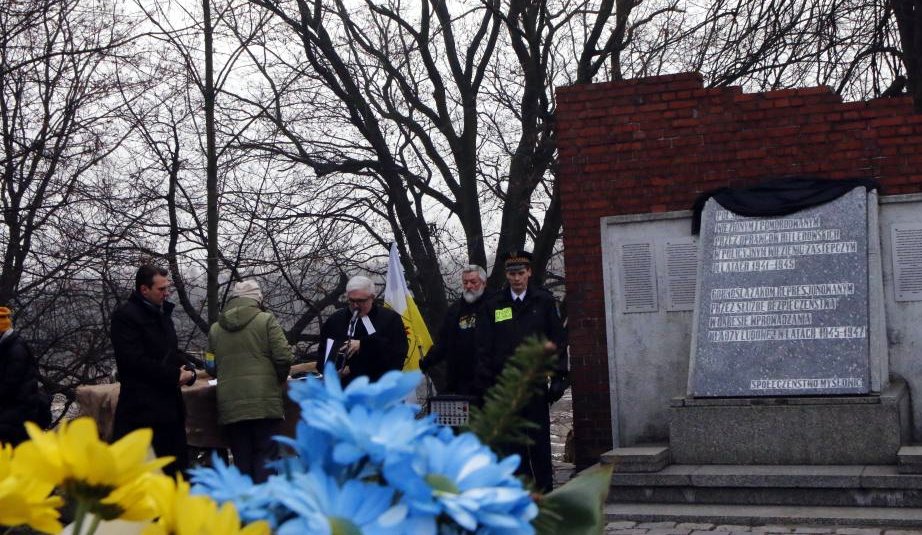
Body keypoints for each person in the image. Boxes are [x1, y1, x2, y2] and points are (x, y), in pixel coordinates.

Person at [474, 250, 568, 492]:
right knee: (511, 443)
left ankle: (544, 492)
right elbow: (484, 347)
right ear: (506, 275)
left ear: (529, 273)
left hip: (534, 382)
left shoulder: (543, 302)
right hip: (505, 385)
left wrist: (559, 376)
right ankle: (519, 492)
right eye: (511, 274)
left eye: (520, 273)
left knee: (538, 441)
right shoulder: (494, 305)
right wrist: (486, 384)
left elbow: (557, 340)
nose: (516, 278)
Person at [111, 265, 195, 477]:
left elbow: (171, 352)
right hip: (142, 412)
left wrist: (190, 370)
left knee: (175, 475)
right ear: (144, 289)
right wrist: (175, 375)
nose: (166, 293)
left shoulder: (162, 313)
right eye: (161, 289)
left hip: (170, 411)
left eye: (167, 288)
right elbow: (134, 362)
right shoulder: (125, 317)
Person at [317, 275, 407, 386]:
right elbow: (323, 353)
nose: (355, 305)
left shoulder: (390, 319)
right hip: (343, 388)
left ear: (372, 297)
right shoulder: (335, 320)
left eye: (361, 301)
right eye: (352, 300)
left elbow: (397, 353)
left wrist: (363, 345)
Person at [419, 265, 489, 395]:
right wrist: (427, 361)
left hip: (488, 381)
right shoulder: (455, 310)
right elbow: (443, 341)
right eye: (465, 282)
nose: (469, 286)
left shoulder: (495, 306)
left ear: (484, 283)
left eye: (473, 282)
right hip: (460, 381)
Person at [0, 307, 51, 445]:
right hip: (15, 409)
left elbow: (9, 386)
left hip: (18, 412)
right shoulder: (8, 345)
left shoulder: (15, 350)